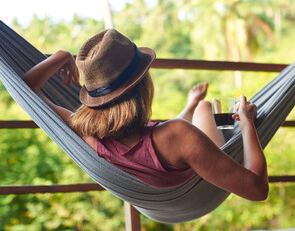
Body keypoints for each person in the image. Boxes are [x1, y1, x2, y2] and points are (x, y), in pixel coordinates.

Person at [22, 29, 268, 201]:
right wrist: (247, 123)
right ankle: (202, 108)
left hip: (163, 191)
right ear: (143, 84)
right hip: (200, 179)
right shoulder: (179, 135)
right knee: (206, 108)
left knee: (201, 107)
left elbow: (26, 89)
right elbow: (257, 190)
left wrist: (61, 56)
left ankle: (192, 105)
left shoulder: (83, 132)